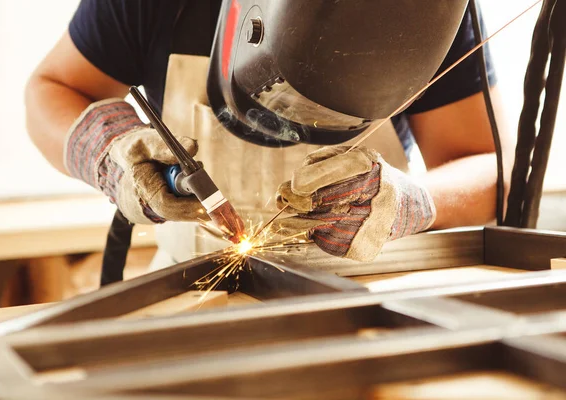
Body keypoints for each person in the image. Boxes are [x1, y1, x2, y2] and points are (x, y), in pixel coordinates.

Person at [25, 0, 512, 264]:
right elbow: (53, 88)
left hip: (364, 294)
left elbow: (495, 172)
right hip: (188, 294)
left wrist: (405, 202)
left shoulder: (426, 11)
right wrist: (110, 155)